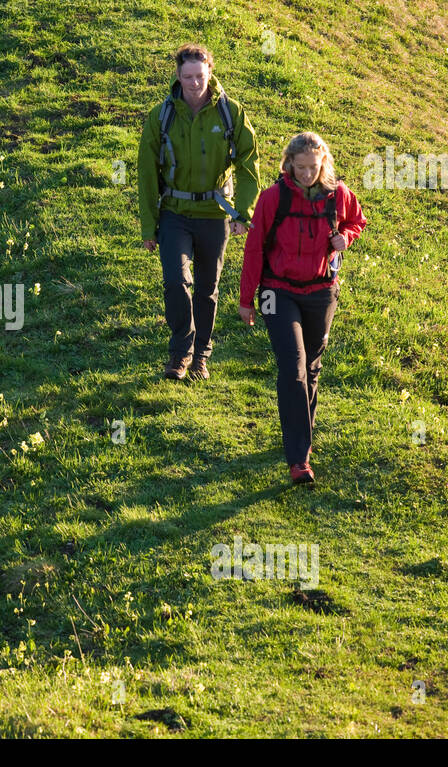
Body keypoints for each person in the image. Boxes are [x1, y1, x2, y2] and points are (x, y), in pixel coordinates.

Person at [238, 132, 366, 484]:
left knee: (311, 367)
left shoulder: (339, 194)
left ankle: (300, 439)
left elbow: (357, 221)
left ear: (323, 163)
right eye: (301, 166)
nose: (308, 173)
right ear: (289, 164)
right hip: (277, 292)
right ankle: (298, 459)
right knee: (292, 368)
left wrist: (346, 238)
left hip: (322, 292)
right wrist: (246, 300)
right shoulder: (271, 198)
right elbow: (254, 250)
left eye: (314, 166)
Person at [138, 44, 259, 381]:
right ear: (178, 76)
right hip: (174, 213)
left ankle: (201, 358)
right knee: (176, 282)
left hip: (214, 214)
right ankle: (179, 355)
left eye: (200, 76)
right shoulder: (161, 115)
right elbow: (146, 172)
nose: (194, 83)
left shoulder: (230, 113)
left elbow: (249, 162)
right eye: (187, 77)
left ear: (210, 71)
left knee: (207, 288)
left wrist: (242, 213)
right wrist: (149, 227)